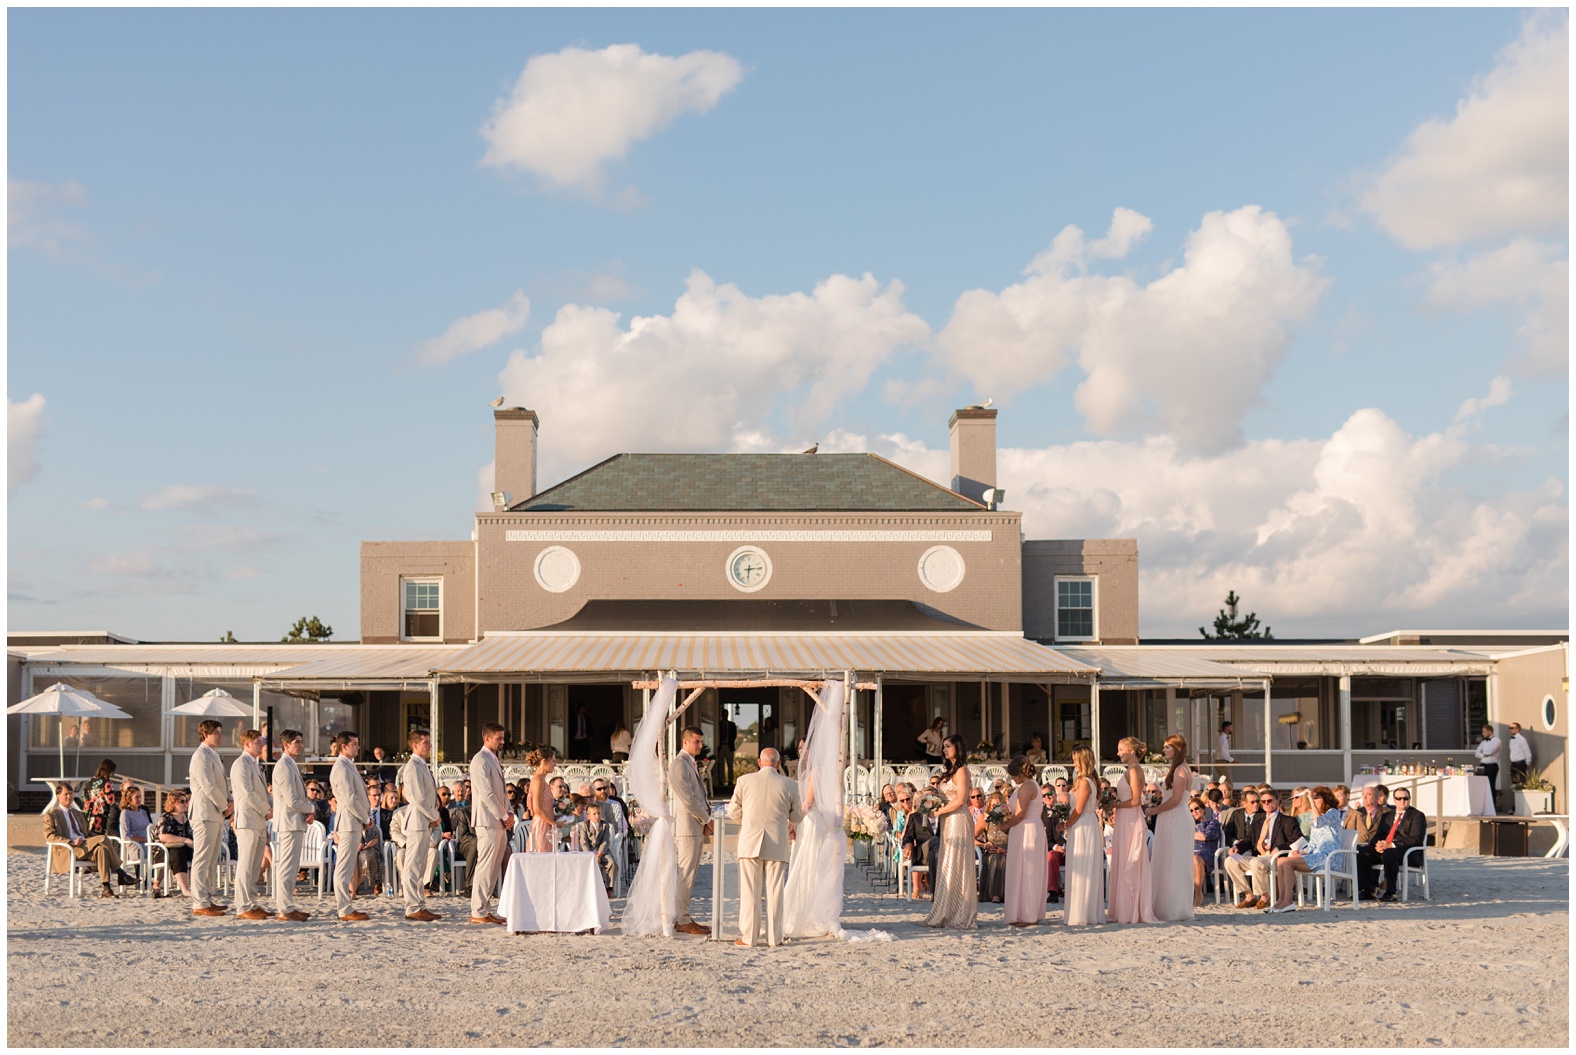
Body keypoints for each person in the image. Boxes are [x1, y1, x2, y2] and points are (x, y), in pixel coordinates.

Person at [728, 747, 804, 947]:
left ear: (759, 762)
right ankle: (774, 937)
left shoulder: (744, 780)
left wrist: (747, 822)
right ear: (778, 764)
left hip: (750, 840)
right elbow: (796, 816)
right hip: (777, 841)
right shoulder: (789, 784)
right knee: (775, 892)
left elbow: (732, 810)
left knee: (749, 891)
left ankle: (749, 937)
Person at [923, 734, 976, 930]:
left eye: (948, 746)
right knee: (948, 863)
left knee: (958, 863)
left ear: (957, 748)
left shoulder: (962, 770)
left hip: (959, 819)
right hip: (947, 820)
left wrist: (937, 811)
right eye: (943, 747)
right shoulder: (948, 771)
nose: (944, 750)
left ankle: (960, 913)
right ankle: (946, 909)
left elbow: (962, 799)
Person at [44, 782, 134, 898]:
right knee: (103, 838)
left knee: (101, 849)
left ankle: (106, 889)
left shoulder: (78, 814)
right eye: (66, 794)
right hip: (69, 849)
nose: (69, 797)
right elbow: (50, 837)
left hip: (84, 846)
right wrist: (71, 842)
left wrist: (96, 838)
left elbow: (87, 833)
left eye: (71, 794)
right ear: (58, 796)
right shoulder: (51, 815)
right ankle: (121, 873)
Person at [1267, 786, 1344, 913]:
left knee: (1286, 862)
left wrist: (1310, 800)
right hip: (1317, 857)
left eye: (1316, 798)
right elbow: (1313, 843)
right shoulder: (1314, 818)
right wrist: (1302, 852)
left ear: (1326, 799)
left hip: (1329, 858)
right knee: (1281, 861)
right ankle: (1281, 901)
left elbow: (1319, 822)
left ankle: (1288, 901)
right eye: (1312, 798)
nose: (1313, 801)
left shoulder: (1333, 813)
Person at [1224, 787, 1300, 910]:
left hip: (1276, 857)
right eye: (1263, 802)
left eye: (1269, 800)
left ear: (1277, 801)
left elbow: (1296, 839)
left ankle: (1265, 897)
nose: (1266, 804)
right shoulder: (1258, 823)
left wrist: (1279, 848)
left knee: (1256, 862)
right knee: (1230, 860)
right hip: (1260, 857)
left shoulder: (1288, 821)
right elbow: (1249, 840)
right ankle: (1249, 896)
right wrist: (1236, 847)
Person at [1145, 733, 1195, 922]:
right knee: (1166, 861)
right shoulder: (1177, 769)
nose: (1164, 750)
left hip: (1176, 818)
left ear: (1178, 749)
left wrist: (1154, 810)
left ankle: (1175, 908)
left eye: (1167, 747)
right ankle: (1165, 906)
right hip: (1170, 817)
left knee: (1175, 862)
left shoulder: (1181, 770)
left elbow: (1175, 799)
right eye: (1164, 746)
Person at [670, 725, 714, 936]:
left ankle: (685, 916)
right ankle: (682, 919)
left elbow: (699, 795)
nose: (700, 745)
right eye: (696, 741)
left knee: (691, 873)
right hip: (687, 826)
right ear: (685, 742)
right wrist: (706, 818)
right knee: (685, 874)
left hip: (695, 825)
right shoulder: (679, 764)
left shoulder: (691, 763)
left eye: (701, 741)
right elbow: (688, 799)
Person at [396, 729, 442, 922]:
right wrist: (434, 814)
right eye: (425, 742)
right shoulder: (413, 766)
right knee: (412, 865)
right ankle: (412, 906)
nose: (429, 745)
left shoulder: (421, 765)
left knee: (421, 865)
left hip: (424, 821)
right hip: (417, 821)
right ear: (415, 745)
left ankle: (420, 904)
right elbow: (416, 797)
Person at [269, 729, 315, 921]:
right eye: (297, 741)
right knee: (287, 866)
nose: (301, 745)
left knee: (292, 866)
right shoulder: (283, 766)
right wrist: (311, 807)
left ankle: (287, 905)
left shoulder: (290, 765)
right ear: (286, 744)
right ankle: (284, 908)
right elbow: (292, 800)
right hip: (288, 822)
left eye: (301, 741)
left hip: (294, 821)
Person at [469, 722, 513, 924]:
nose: (502, 741)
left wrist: (509, 812)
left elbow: (502, 792)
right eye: (499, 738)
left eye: (503, 738)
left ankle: (484, 909)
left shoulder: (493, 759)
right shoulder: (479, 760)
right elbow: (486, 793)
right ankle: (477, 911)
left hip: (499, 820)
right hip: (487, 820)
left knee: (494, 866)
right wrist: (504, 815)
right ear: (486, 738)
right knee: (485, 865)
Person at [188, 719, 232, 918]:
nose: (220, 735)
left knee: (212, 859)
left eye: (221, 731)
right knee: (202, 858)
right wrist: (225, 806)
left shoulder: (213, 754)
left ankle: (206, 898)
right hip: (204, 812)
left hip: (215, 812)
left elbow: (221, 784)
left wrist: (229, 801)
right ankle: (199, 902)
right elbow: (209, 787)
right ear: (205, 734)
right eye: (216, 732)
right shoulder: (201, 756)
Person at [328, 730, 372, 922]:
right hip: (348, 822)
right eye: (354, 743)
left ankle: (346, 906)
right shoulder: (341, 768)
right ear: (344, 746)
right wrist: (365, 818)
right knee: (344, 867)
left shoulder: (349, 766)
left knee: (346, 866)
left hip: (353, 821)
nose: (358, 746)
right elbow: (350, 798)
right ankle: (344, 909)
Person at [229, 728, 272, 920]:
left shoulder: (255, 764)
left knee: (255, 866)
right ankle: (242, 906)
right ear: (247, 744)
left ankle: (252, 902)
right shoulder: (240, 764)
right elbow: (247, 793)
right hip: (247, 820)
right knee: (245, 865)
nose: (262, 745)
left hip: (258, 821)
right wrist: (266, 809)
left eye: (261, 741)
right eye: (257, 742)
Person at [1000, 755, 1047, 927]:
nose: (1011, 779)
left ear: (1019, 773)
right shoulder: (1029, 785)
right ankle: (1025, 913)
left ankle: (1029, 915)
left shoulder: (1027, 787)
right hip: (1026, 828)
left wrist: (1003, 825)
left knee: (1027, 871)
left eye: (1012, 775)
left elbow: (1020, 814)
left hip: (1027, 829)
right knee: (1023, 870)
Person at [1360, 787, 1425, 902]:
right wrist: (1377, 845)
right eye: (1399, 798)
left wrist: (1391, 845)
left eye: (1405, 798)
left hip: (1406, 852)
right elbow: (1378, 835)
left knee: (1389, 853)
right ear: (1394, 800)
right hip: (1387, 850)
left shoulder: (1417, 816)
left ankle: (1391, 892)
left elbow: (1416, 839)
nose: (1402, 801)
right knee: (1362, 852)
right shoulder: (1387, 816)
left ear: (1409, 799)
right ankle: (1368, 890)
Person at [1063, 745, 1104, 926]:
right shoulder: (1090, 780)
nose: (1073, 763)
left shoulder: (1086, 782)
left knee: (1082, 867)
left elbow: (1078, 809)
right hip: (1086, 824)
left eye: (1075, 759)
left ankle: (1082, 913)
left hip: (1083, 825)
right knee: (1081, 867)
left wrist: (1065, 824)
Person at [158, 790, 197, 899]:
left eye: (187, 801)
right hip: (165, 849)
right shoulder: (166, 817)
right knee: (178, 852)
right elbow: (163, 836)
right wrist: (184, 840)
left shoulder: (188, 817)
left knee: (199, 852)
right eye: (182, 801)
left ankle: (198, 886)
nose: (186, 804)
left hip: (185, 847)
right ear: (173, 803)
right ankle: (185, 889)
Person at [975, 791, 1009, 903]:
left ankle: (1001, 894)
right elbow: (971, 838)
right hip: (991, 850)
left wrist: (1006, 850)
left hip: (1007, 850)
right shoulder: (985, 819)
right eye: (993, 805)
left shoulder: (1009, 819)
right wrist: (984, 845)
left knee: (1002, 858)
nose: (995, 809)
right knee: (996, 858)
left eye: (998, 805)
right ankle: (995, 895)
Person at [525, 747, 560, 853]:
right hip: (542, 824)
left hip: (546, 824)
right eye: (553, 761)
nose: (555, 764)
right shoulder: (538, 781)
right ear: (544, 761)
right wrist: (553, 823)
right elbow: (537, 808)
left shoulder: (542, 780)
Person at [1189, 798, 1221, 908]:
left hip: (1208, 854)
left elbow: (1205, 836)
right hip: (1190, 854)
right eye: (1191, 810)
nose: (1194, 812)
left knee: (1195, 858)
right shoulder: (1188, 825)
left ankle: (1198, 894)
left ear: (1203, 809)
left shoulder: (1212, 822)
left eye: (1196, 808)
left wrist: (1187, 833)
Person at [85, 759, 118, 835]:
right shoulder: (107, 783)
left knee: (89, 835)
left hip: (89, 812)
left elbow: (84, 797)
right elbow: (110, 801)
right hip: (101, 813)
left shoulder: (89, 782)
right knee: (100, 837)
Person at [1474, 724, 1502, 803]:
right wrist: (1483, 754)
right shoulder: (1483, 742)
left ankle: (1492, 805)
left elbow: (1490, 751)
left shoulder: (1497, 741)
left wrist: (1483, 753)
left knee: (1490, 785)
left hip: (1491, 766)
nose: (1483, 734)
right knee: (1479, 784)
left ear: (1490, 732)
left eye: (1484, 732)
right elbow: (1476, 753)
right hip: (1483, 765)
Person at [1508, 723, 1533, 788]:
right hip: (1513, 764)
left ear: (1517, 729)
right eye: (1509, 728)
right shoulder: (1511, 740)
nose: (1510, 729)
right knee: (1514, 783)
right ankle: (1516, 797)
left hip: (1520, 763)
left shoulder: (1522, 739)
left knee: (1522, 782)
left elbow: (1527, 751)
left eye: (1512, 728)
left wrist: (1528, 763)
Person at [718, 712, 738, 786]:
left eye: (726, 714)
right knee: (720, 764)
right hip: (721, 746)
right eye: (724, 714)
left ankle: (730, 780)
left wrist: (729, 742)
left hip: (729, 746)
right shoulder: (719, 724)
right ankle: (721, 780)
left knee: (730, 764)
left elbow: (734, 735)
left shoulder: (732, 725)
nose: (725, 715)